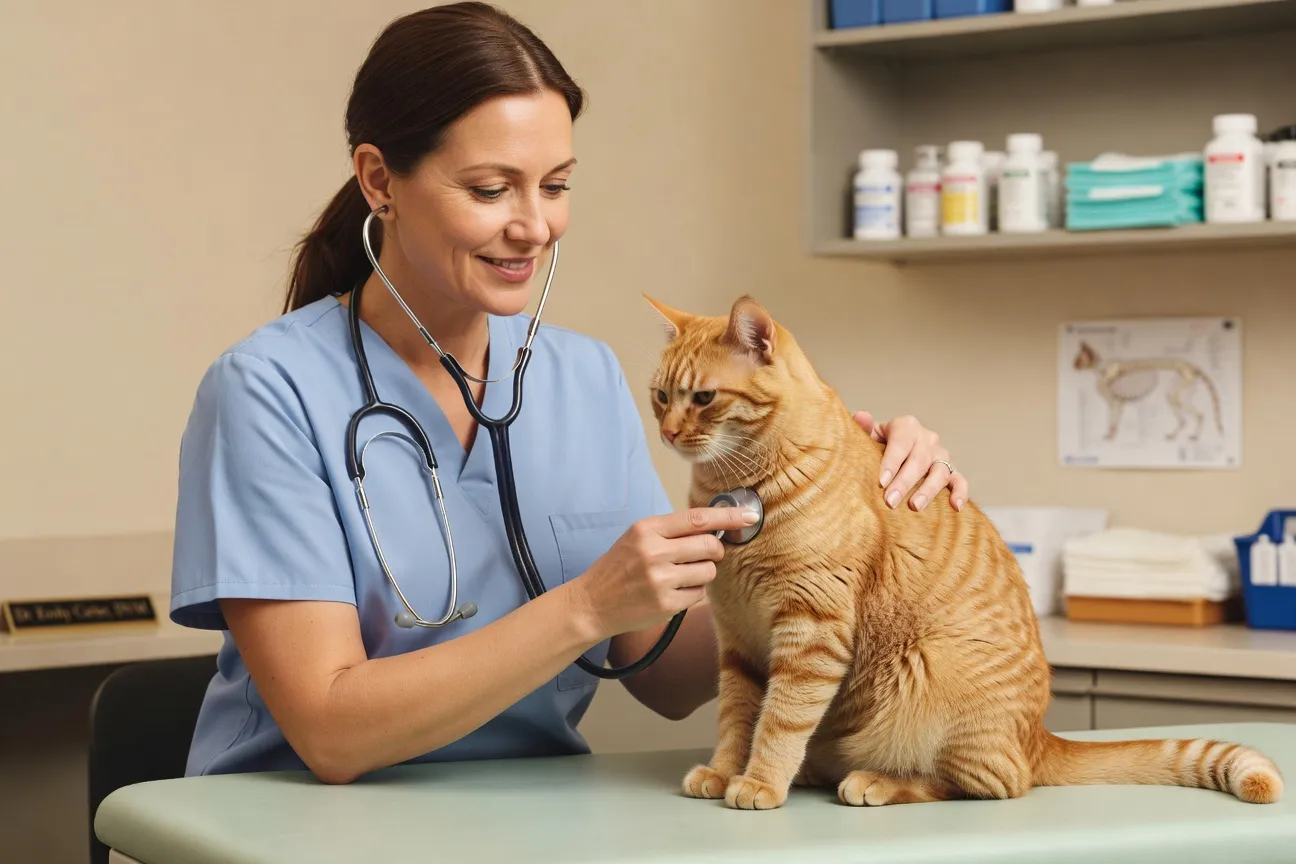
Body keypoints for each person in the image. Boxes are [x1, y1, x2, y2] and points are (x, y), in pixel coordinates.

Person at [170, 1, 971, 785]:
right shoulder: (269, 391)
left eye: (555, 185)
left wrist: (853, 517)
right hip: (288, 829)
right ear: (380, 180)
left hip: (529, 825)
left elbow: (663, 672)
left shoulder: (580, 377)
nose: (535, 226)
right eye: (491, 190)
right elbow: (329, 733)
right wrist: (586, 606)